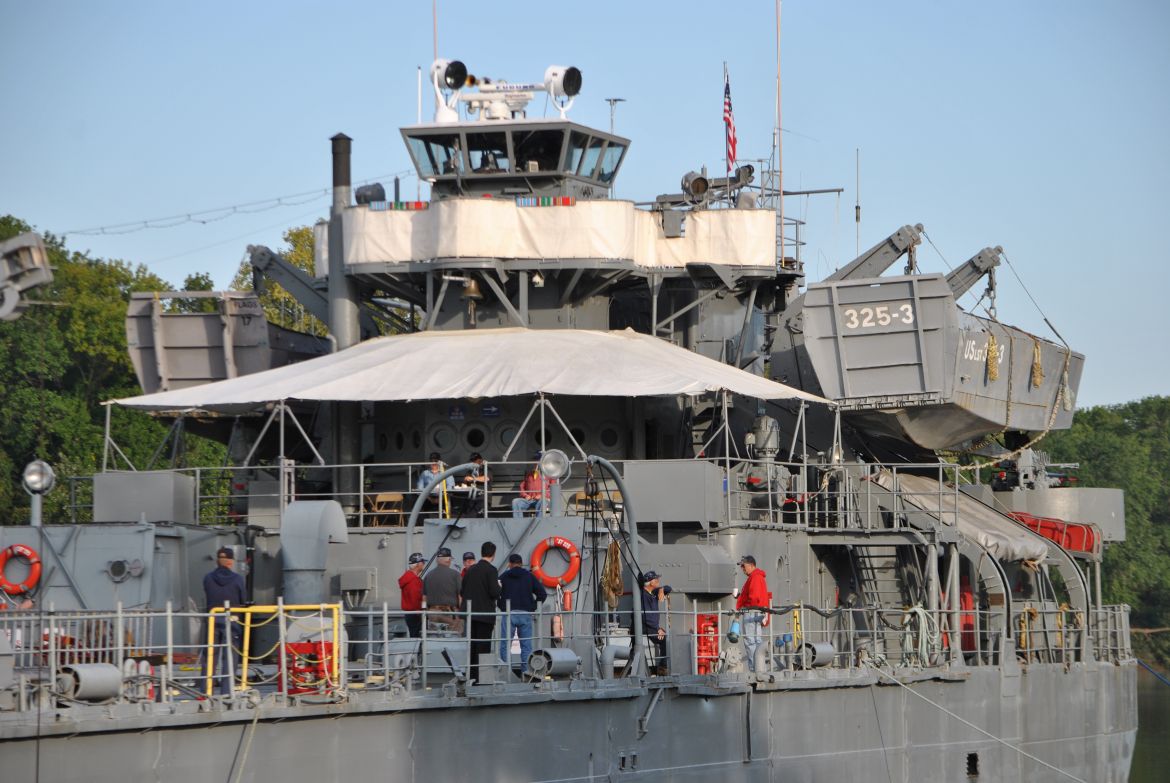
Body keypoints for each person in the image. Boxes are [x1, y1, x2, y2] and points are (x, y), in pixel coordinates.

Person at [203, 546, 246, 695]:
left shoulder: (208, 578)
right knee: (230, 655)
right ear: (230, 562)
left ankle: (206, 690)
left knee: (210, 655)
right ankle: (227, 691)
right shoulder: (238, 579)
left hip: (212, 618)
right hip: (232, 619)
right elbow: (243, 599)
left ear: (217, 561)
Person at [497, 553, 547, 674]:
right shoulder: (529, 576)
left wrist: (501, 606)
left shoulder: (504, 576)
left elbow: (495, 593)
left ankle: (505, 671)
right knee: (526, 645)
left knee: (505, 644)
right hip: (525, 614)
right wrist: (532, 606)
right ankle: (526, 672)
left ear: (510, 564)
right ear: (521, 563)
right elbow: (542, 594)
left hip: (509, 614)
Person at [460, 542, 501, 684]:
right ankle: (481, 679)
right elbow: (494, 592)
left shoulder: (470, 570)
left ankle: (471, 676)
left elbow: (462, 590)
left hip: (470, 615)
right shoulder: (491, 570)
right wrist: (500, 587)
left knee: (472, 646)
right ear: (493, 554)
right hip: (485, 615)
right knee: (483, 647)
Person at [735, 555, 771, 672]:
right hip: (756, 611)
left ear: (751, 565)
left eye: (744, 566)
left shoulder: (755, 577)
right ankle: (759, 668)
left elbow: (754, 597)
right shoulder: (756, 577)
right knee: (756, 640)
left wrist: (746, 607)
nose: (742, 569)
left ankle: (754, 669)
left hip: (752, 613)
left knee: (751, 641)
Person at [639, 570, 673, 675]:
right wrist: (657, 629)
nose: (658, 580)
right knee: (664, 639)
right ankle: (663, 668)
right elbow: (646, 617)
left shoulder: (653, 592)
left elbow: (669, 588)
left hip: (652, 626)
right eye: (656, 579)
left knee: (665, 636)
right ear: (650, 582)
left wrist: (662, 589)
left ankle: (662, 666)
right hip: (646, 627)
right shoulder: (644, 595)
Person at [424, 547, 463, 633]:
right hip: (450, 613)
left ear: (437, 560)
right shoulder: (455, 575)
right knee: (453, 638)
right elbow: (460, 596)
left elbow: (424, 598)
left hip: (432, 613)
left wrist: (425, 612)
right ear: (448, 560)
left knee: (434, 639)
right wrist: (461, 613)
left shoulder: (428, 576)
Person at [398, 552, 426, 638]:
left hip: (410, 614)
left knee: (414, 637)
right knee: (418, 639)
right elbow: (415, 599)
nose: (424, 564)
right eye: (423, 562)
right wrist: (421, 613)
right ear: (418, 564)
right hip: (416, 614)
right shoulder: (414, 581)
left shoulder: (408, 578)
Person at [461, 452, 490, 516]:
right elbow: (465, 482)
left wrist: (473, 479)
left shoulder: (486, 469)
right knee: (465, 507)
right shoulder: (470, 470)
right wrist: (465, 481)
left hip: (483, 496)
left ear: (481, 460)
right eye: (472, 461)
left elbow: (487, 478)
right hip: (472, 496)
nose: (474, 462)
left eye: (475, 460)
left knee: (475, 512)